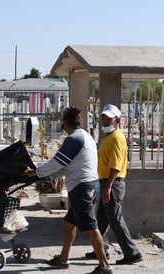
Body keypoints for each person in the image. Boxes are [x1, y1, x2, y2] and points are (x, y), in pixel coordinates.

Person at [25, 107, 112, 274]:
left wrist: (36, 172)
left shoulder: (74, 139)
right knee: (69, 224)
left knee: (91, 226)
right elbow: (67, 166)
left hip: (82, 187)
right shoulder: (85, 135)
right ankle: (63, 259)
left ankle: (104, 266)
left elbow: (57, 163)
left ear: (65, 123)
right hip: (88, 184)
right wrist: (44, 173)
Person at [86, 104, 142, 265]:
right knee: (101, 220)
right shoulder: (109, 137)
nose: (105, 121)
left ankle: (132, 253)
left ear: (117, 119)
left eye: (109, 118)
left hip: (112, 184)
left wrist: (108, 186)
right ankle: (101, 250)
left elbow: (116, 166)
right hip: (105, 182)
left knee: (116, 220)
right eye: (103, 118)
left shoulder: (117, 138)